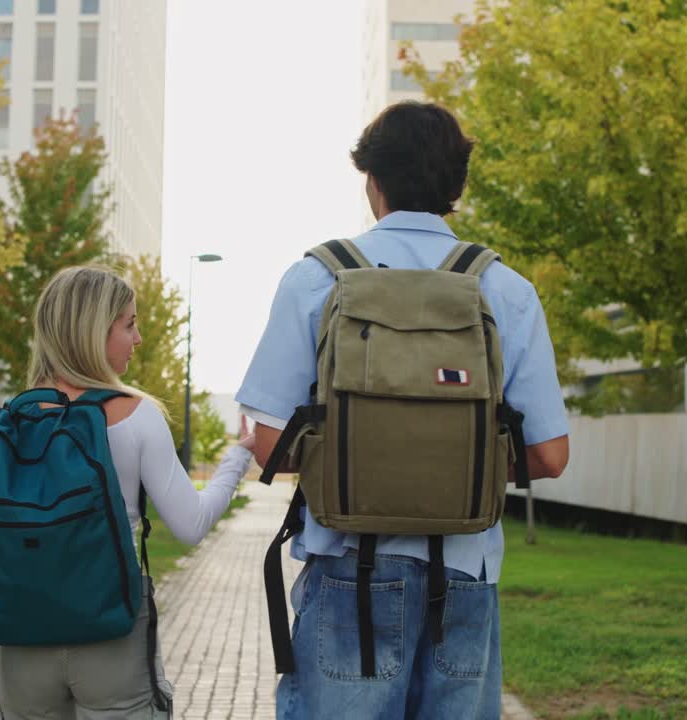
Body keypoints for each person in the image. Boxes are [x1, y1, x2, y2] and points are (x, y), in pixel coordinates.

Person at [236, 101, 571, 719]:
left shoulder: (317, 279)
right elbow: (549, 456)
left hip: (346, 568)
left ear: (373, 180)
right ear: (456, 187)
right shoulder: (505, 289)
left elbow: (267, 445)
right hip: (465, 574)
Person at [0, 265, 255, 719]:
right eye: (129, 324)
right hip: (111, 635)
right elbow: (190, 526)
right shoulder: (137, 417)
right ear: (93, 332)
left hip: (20, 642)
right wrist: (237, 459)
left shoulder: (0, 429)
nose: (138, 339)